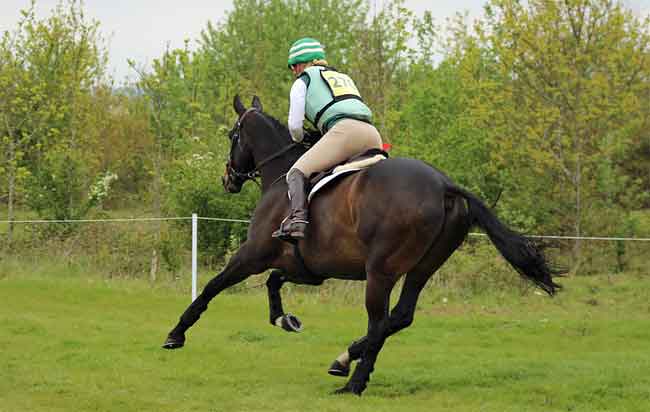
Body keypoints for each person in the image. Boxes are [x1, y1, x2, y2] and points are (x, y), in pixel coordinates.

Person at [272, 37, 383, 242]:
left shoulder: (303, 81)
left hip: (344, 133)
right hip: (373, 134)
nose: (294, 71)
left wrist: (302, 138)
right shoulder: (343, 76)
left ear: (304, 62)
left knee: (295, 172)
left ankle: (297, 221)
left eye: (294, 65)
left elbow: (295, 126)